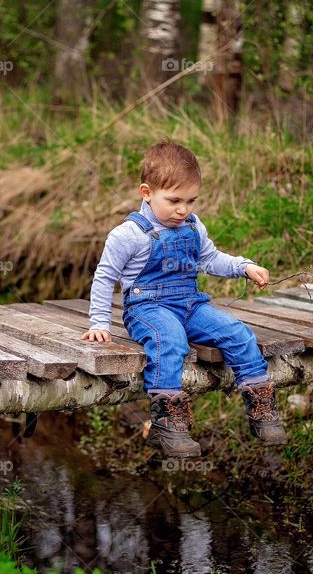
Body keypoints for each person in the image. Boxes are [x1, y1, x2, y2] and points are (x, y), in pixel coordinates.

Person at [81, 140, 288, 457]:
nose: (183, 209)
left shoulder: (193, 226)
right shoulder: (128, 234)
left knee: (238, 333)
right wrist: (99, 321)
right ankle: (167, 422)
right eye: (174, 200)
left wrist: (244, 267)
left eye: (191, 200)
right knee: (171, 339)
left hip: (190, 304)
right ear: (147, 193)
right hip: (147, 308)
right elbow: (105, 276)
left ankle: (261, 405)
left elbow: (210, 259)